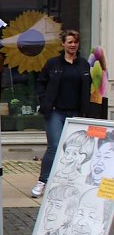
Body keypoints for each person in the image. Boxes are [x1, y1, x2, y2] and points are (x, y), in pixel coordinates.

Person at [32, 29, 93, 197]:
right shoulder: (53, 64)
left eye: (75, 42)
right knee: (55, 146)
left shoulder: (83, 65)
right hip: (55, 113)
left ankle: (68, 182)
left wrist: (85, 110)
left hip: (76, 113)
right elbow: (41, 83)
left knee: (75, 150)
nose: (73, 45)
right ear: (63, 44)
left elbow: (88, 88)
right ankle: (42, 181)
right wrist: (45, 102)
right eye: (70, 42)